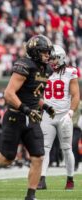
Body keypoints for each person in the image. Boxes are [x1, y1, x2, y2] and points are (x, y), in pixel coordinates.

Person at [0, 34, 55, 200]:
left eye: (48, 52)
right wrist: (26, 110)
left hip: (31, 118)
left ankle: (31, 195)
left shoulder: (46, 69)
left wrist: (44, 106)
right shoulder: (24, 65)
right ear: (35, 51)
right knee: (7, 159)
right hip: (15, 117)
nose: (48, 55)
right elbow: (9, 94)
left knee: (38, 156)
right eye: (44, 52)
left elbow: (33, 94)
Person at [37, 45, 80, 190]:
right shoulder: (43, 72)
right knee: (45, 148)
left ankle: (70, 179)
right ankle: (42, 179)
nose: (51, 60)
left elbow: (75, 95)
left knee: (67, 149)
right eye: (50, 57)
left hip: (63, 115)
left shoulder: (70, 72)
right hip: (48, 115)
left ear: (61, 58)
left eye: (54, 58)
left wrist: (71, 112)